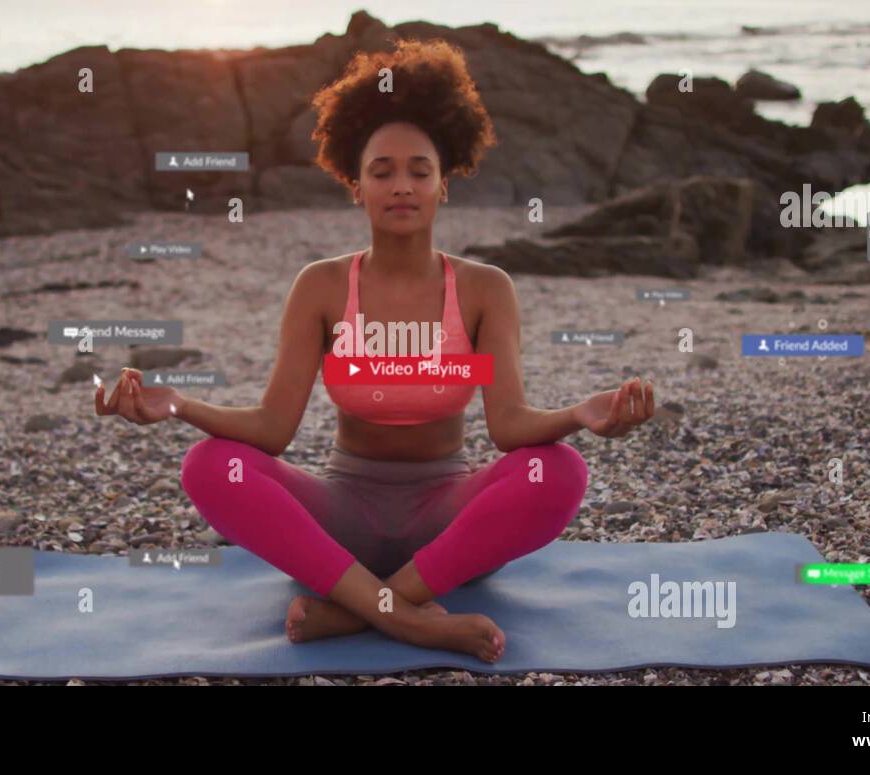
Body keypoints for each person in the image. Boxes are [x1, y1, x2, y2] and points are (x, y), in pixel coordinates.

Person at [96, 38, 655, 663]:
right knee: (210, 465)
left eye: (420, 170)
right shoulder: (322, 286)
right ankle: (412, 620)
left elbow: (510, 428)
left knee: (557, 470)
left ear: (445, 184)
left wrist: (581, 414)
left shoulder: (483, 289)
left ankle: (360, 609)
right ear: (354, 185)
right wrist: (177, 405)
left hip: (447, 523)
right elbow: (271, 430)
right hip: (343, 518)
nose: (401, 186)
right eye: (381, 171)